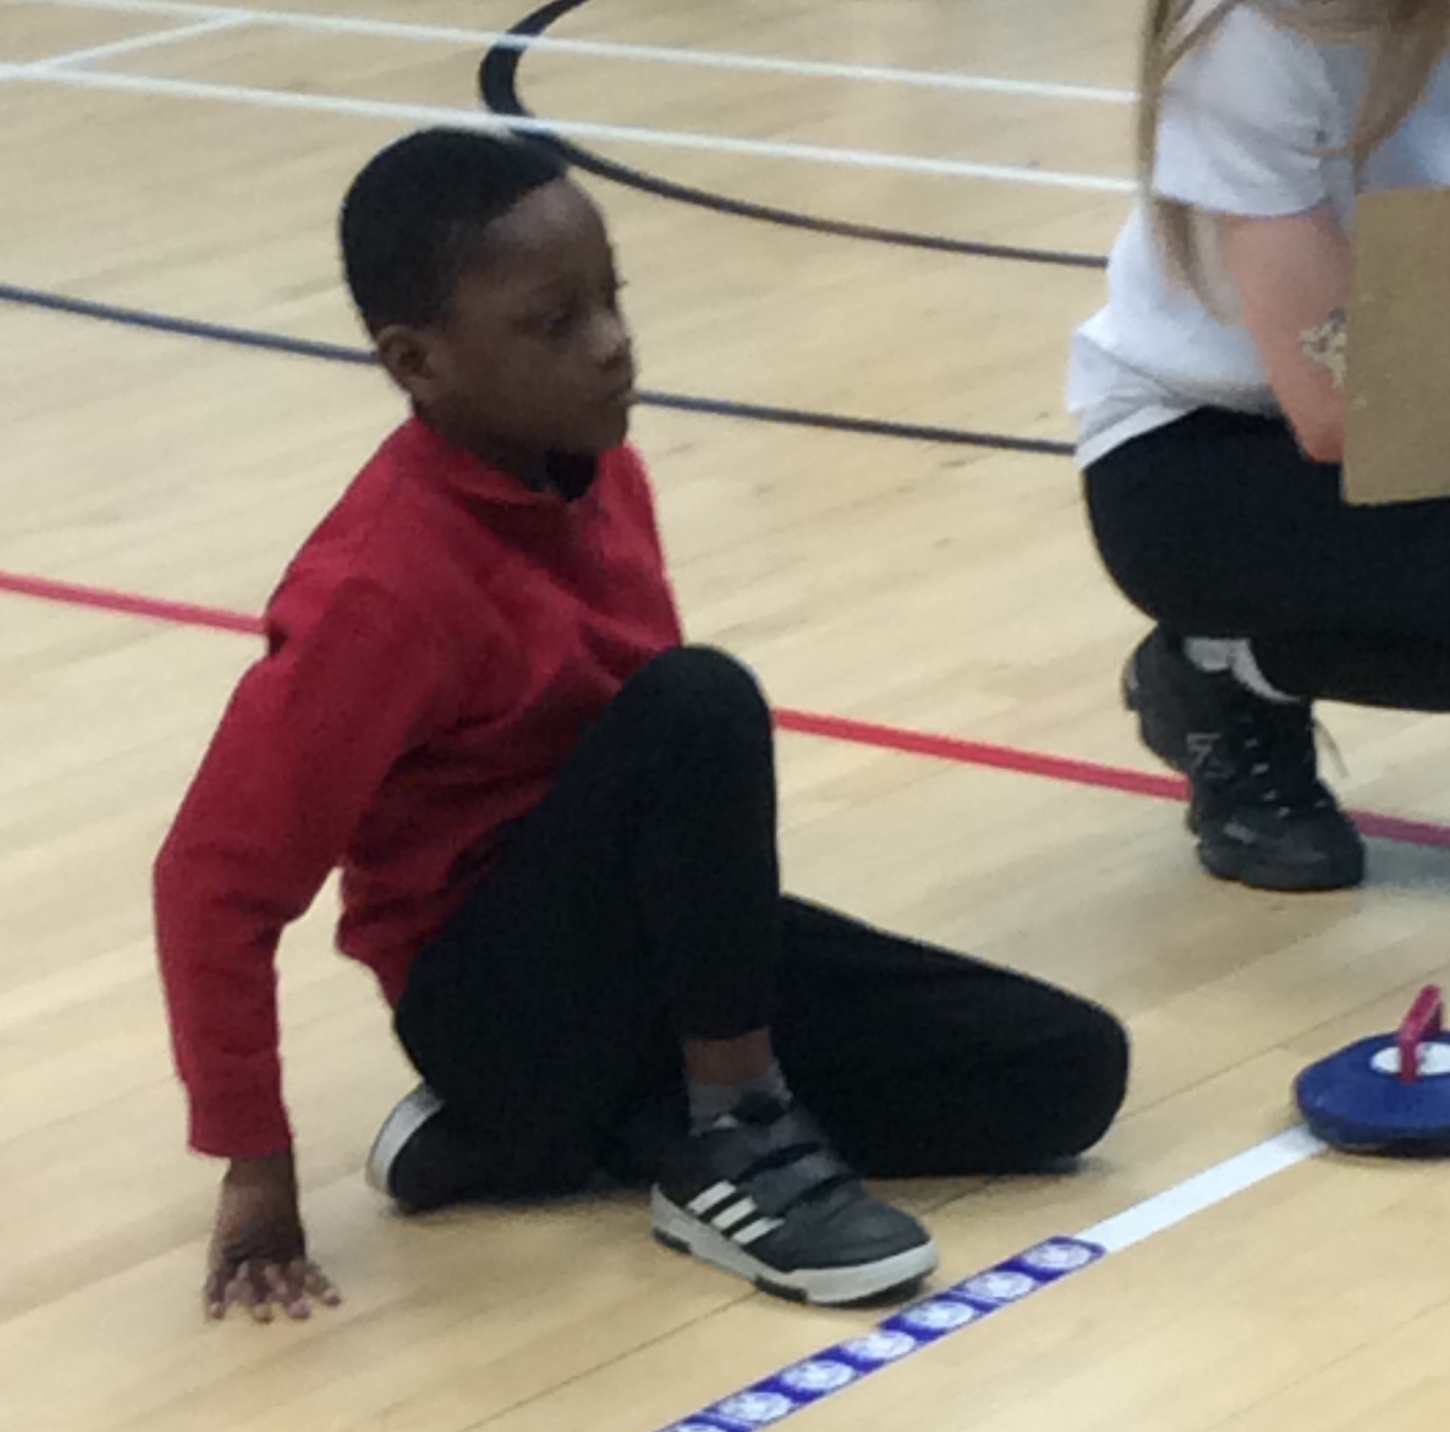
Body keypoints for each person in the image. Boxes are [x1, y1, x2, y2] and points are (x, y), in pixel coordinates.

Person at [154, 128, 1128, 1322]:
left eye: (612, 298)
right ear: (417, 360)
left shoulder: (601, 470)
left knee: (1062, 1071)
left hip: (632, 954)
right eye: (555, 322)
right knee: (697, 704)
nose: (613, 342)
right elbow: (210, 880)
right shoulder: (377, 588)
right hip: (497, 1004)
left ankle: (558, 1138)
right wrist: (255, 1165)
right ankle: (731, 1133)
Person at [1071, 0, 1450, 893]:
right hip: (1207, 457)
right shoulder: (1251, 30)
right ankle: (1218, 672)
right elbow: (1341, 406)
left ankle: (1250, 669)